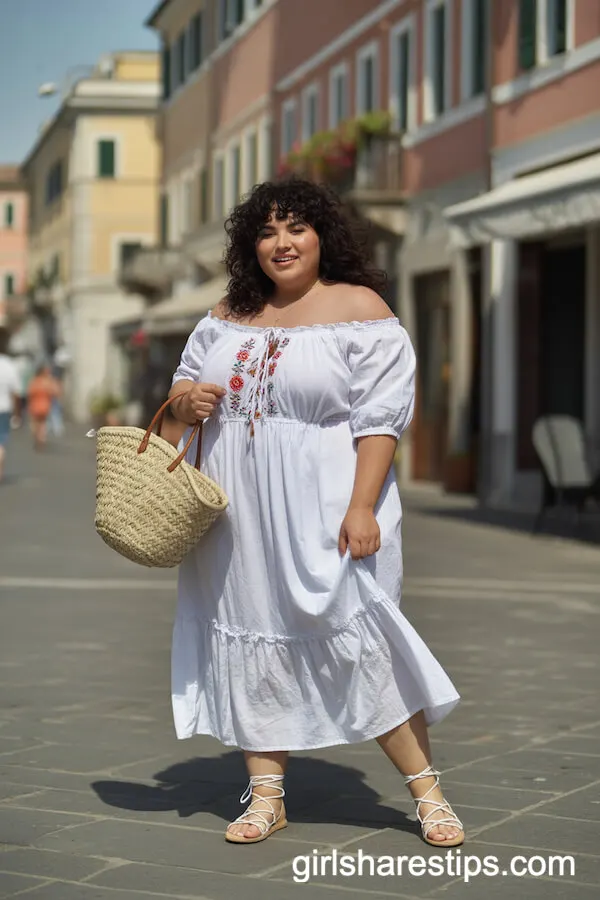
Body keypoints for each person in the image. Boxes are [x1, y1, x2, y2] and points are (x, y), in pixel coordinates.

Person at [167, 178, 464, 849]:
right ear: (251, 245)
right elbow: (183, 381)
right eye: (267, 232)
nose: (281, 243)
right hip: (235, 509)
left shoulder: (361, 309)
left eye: (296, 228)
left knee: (357, 639)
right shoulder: (228, 312)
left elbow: (381, 419)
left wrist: (364, 506)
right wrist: (187, 403)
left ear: (323, 235)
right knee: (249, 628)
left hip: (325, 505)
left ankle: (428, 793)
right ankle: (266, 795)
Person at [0, 329, 21, 483]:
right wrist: (17, 413)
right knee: (1, 443)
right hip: (4, 409)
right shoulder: (9, 366)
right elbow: (16, 392)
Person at [27, 364, 60, 451]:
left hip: (35, 405)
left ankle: (37, 438)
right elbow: (56, 393)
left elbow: (30, 393)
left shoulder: (35, 381)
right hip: (45, 405)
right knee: (43, 423)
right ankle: (42, 438)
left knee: (35, 423)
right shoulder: (48, 382)